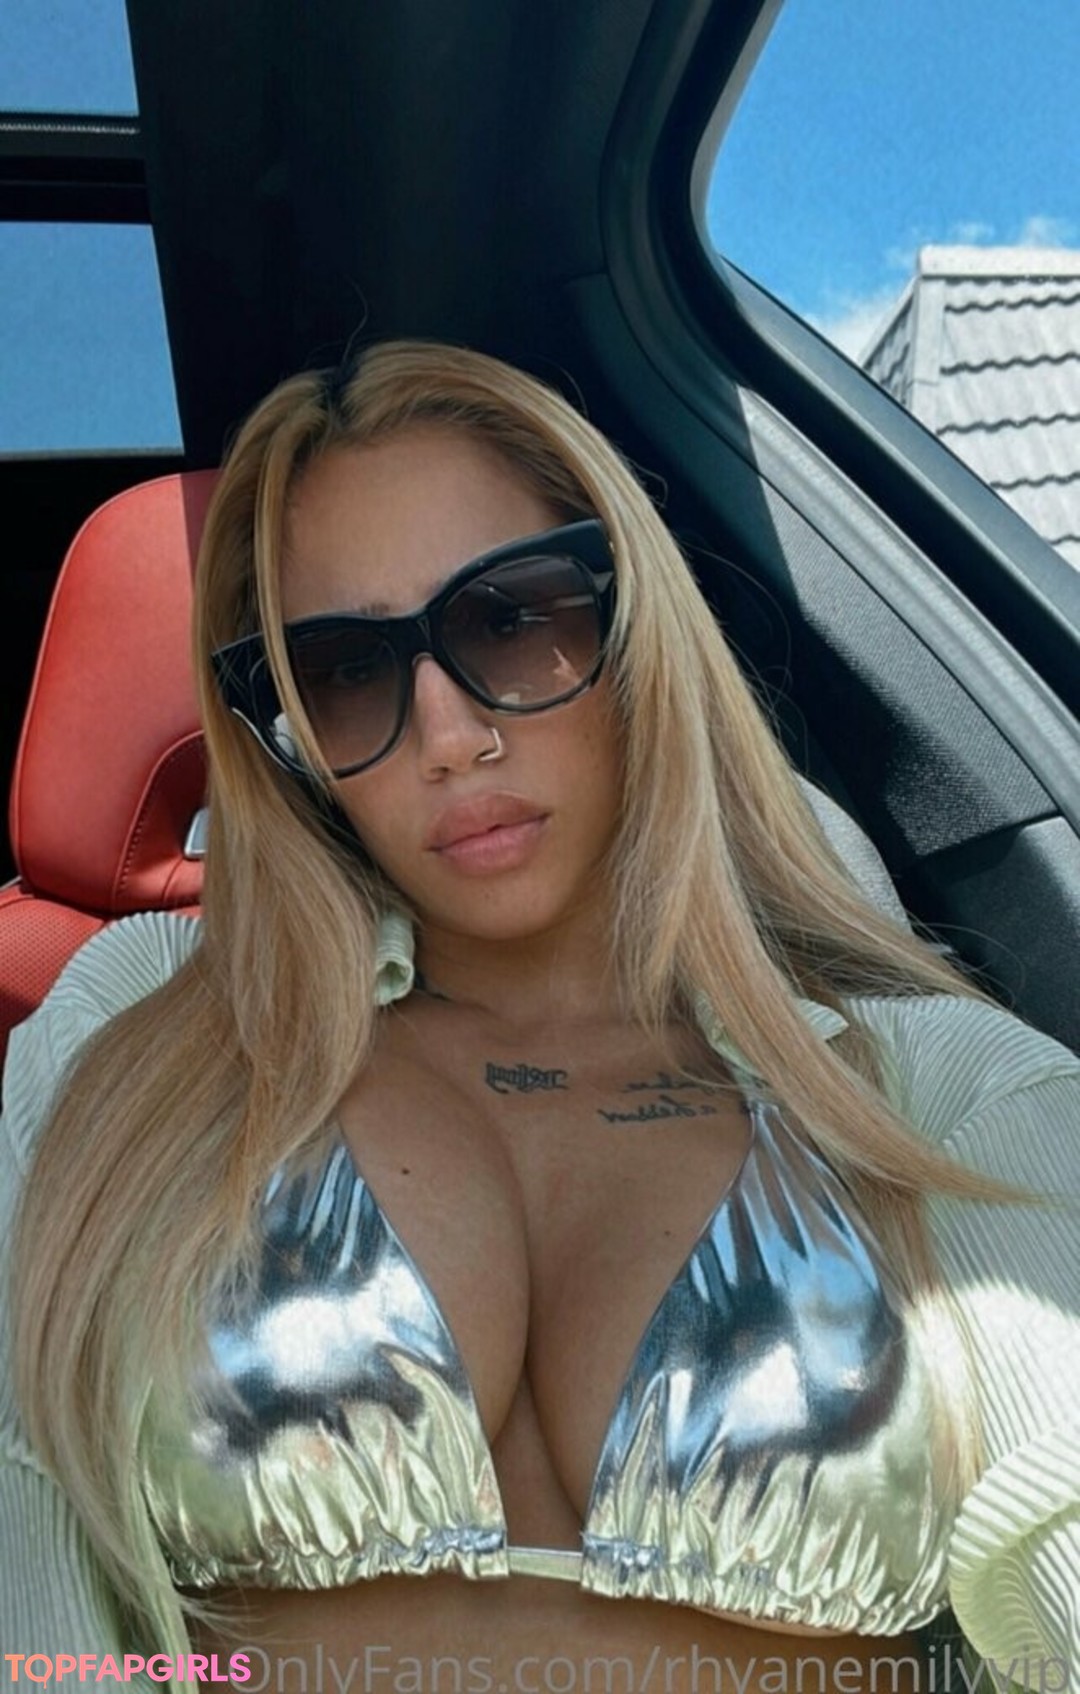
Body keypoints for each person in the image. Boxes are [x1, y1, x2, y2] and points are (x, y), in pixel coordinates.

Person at [2, 340, 1078, 1694]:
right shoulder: (140, 1033)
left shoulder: (935, 1086)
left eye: (512, 618)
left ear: (634, 624)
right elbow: (21, 1539)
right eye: (344, 671)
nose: (448, 734)